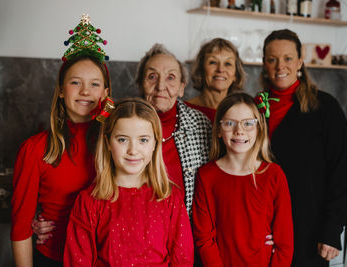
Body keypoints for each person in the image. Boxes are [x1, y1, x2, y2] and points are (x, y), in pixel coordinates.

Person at [11, 14, 112, 266]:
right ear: (61, 89)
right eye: (75, 82)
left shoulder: (118, 145)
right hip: (54, 259)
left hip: (109, 258)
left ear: (106, 93)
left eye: (95, 84)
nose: (85, 91)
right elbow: (21, 228)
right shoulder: (35, 149)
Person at [258, 29, 347, 267]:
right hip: (261, 226)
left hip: (308, 229)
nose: (281, 66)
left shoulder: (325, 108)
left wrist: (332, 231)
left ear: (300, 61)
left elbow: (340, 173)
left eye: (288, 58)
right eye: (272, 59)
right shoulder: (254, 107)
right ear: (264, 64)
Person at [63, 98, 194, 266]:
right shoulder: (89, 202)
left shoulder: (169, 198)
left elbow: (182, 259)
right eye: (123, 139)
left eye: (143, 140)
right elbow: (78, 261)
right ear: (108, 142)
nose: (133, 150)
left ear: (155, 143)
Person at [192, 92, 294, 266]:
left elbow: (285, 242)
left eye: (248, 124)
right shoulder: (206, 176)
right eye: (230, 123)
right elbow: (204, 239)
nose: (239, 131)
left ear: (259, 128)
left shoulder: (274, 175)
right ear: (218, 130)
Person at [135, 43, 211, 215]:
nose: (161, 86)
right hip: (137, 231)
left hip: (189, 230)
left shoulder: (201, 125)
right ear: (140, 83)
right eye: (152, 77)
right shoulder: (123, 124)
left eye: (170, 77)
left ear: (182, 87)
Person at [185, 38, 246, 123]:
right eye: (213, 62)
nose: (220, 69)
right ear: (201, 70)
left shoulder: (242, 113)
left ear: (235, 74)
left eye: (228, 64)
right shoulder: (183, 110)